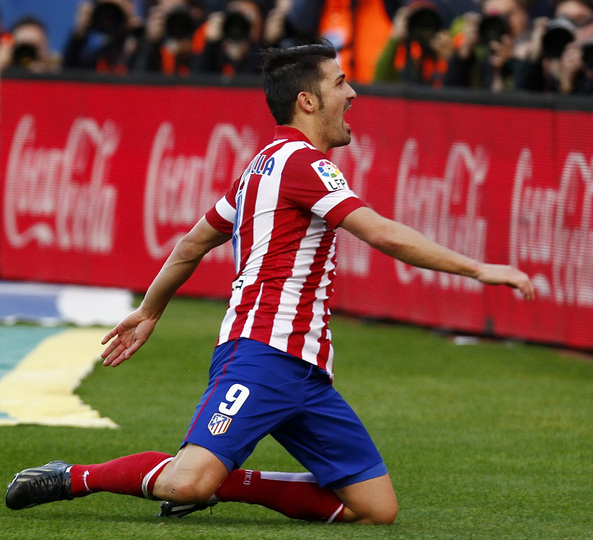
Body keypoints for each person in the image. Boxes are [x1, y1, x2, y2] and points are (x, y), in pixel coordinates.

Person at [4, 42, 535, 524]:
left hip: (304, 369)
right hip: (262, 352)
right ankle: (74, 476)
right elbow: (380, 232)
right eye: (340, 82)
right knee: (188, 477)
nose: (352, 92)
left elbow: (191, 245)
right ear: (307, 101)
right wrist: (480, 270)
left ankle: (230, 484)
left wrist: (150, 310)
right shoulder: (304, 163)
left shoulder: (261, 165)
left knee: (374, 509)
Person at [63, 0, 143, 73]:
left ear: (132, 6)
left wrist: (140, 36)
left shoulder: (141, 44)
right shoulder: (93, 57)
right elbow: (68, 78)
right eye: (107, 7)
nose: (111, 16)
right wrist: (79, 36)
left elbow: (145, 77)